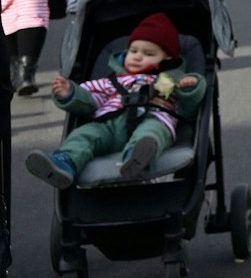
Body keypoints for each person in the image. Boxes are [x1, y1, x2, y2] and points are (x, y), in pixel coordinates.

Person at [25, 12, 204, 187]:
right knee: (85, 134)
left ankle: (137, 157)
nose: (138, 56)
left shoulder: (169, 80)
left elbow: (187, 108)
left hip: (152, 118)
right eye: (133, 50)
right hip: (109, 125)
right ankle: (66, 162)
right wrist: (70, 93)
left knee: (153, 131)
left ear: (167, 59)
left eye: (149, 54)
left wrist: (191, 87)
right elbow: (90, 100)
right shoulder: (111, 80)